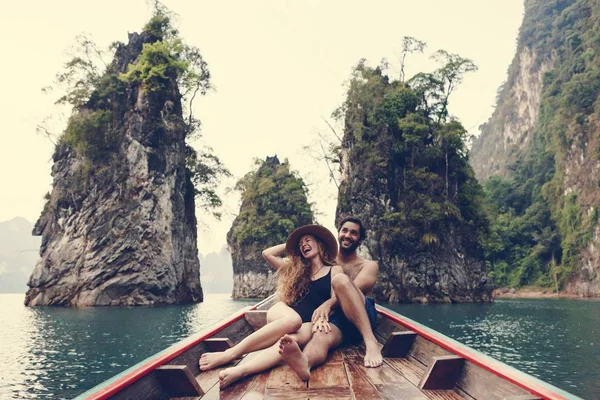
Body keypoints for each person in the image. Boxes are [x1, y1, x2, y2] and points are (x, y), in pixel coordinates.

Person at [198, 224, 343, 388]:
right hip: (283, 313)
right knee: (293, 321)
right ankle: (229, 354)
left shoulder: (335, 270)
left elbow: (336, 297)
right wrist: (291, 245)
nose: (303, 245)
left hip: (309, 322)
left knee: (288, 341)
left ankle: (242, 370)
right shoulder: (295, 269)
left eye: (308, 240)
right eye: (300, 244)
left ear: (320, 243)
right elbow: (267, 253)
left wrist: (326, 308)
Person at [278, 217, 382, 381]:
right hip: (337, 318)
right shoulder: (324, 261)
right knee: (321, 334)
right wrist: (295, 244)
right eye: (344, 231)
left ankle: (370, 342)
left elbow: (350, 289)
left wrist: (327, 304)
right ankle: (305, 362)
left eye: (353, 233)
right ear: (338, 234)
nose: (347, 235)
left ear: (360, 240)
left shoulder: (369, 266)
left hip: (360, 313)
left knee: (340, 280)